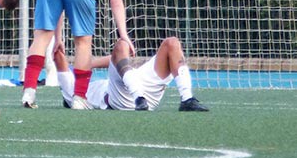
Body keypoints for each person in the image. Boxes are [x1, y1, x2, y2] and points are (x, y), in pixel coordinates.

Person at [21, 0, 132, 110]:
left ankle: (29, 91)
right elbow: (116, 1)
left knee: (41, 37)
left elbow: (58, 5)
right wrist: (124, 35)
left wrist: (58, 38)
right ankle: (79, 98)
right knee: (83, 43)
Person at [56, 37, 209, 112]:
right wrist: (56, 38)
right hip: (120, 99)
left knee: (172, 43)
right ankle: (139, 98)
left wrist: (86, 65)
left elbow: (115, 59)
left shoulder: (83, 81)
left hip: (138, 85)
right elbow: (58, 57)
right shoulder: (73, 96)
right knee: (122, 44)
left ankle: (187, 100)